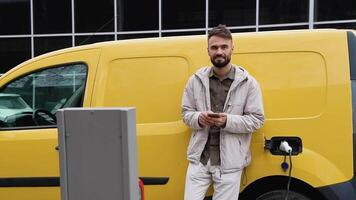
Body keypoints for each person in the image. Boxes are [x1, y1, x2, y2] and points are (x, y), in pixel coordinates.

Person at [181, 24, 265, 200]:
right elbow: (186, 114)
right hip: (199, 161)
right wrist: (199, 118)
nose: (219, 51)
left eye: (224, 47)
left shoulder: (249, 83)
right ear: (208, 51)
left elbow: (257, 120)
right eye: (214, 47)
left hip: (229, 164)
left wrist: (227, 121)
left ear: (232, 48)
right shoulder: (195, 80)